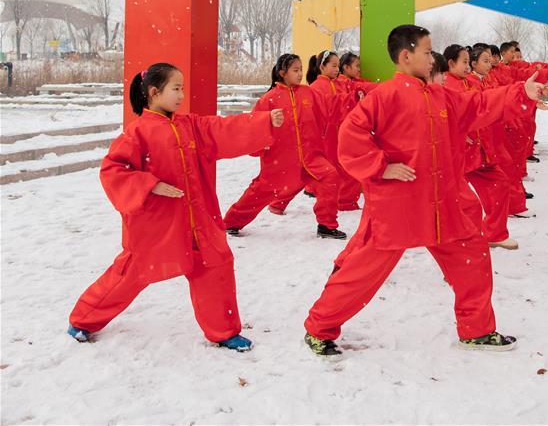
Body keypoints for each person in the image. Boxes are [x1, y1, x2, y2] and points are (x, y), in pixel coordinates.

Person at [302, 25, 546, 358]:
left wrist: (521, 92)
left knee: (473, 258)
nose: (433, 58)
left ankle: (477, 329)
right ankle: (319, 328)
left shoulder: (439, 96)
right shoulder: (385, 96)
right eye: (428, 52)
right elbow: (350, 136)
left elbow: (476, 105)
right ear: (406, 56)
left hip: (443, 204)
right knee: (363, 274)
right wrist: (380, 167)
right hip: (399, 207)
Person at [67, 63, 283, 351]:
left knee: (216, 264)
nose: (182, 94)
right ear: (155, 93)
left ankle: (223, 330)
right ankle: (84, 318)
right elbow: (113, 170)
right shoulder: (137, 134)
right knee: (131, 273)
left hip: (199, 220)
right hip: (157, 224)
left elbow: (222, 128)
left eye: (182, 87)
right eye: (176, 88)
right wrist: (150, 184)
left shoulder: (190, 125)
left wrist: (263, 121)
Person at [223, 54, 345, 239]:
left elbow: (327, 111)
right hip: (280, 161)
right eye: (295, 70)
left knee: (330, 176)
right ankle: (231, 222)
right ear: (282, 73)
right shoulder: (269, 100)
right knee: (259, 193)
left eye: (300, 70)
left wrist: (355, 100)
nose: (299, 74)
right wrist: (259, 148)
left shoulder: (308, 93)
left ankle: (326, 226)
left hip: (311, 157)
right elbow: (254, 127)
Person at [444, 44, 519, 250]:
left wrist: (519, 97)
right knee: (463, 204)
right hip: (460, 155)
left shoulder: (468, 82)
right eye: (465, 62)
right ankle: (463, 247)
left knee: (499, 185)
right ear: (451, 64)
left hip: (478, 151)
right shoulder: (448, 85)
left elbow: (485, 105)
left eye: (469, 62)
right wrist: (459, 132)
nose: (468, 67)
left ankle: (491, 235)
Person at [307, 50, 363, 213]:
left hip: (344, 132)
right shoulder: (316, 87)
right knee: (334, 168)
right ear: (322, 67)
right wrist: (351, 99)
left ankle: (347, 201)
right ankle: (339, 201)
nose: (336, 69)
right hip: (327, 135)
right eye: (333, 65)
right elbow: (329, 107)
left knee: (347, 166)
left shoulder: (341, 84)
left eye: (338, 66)